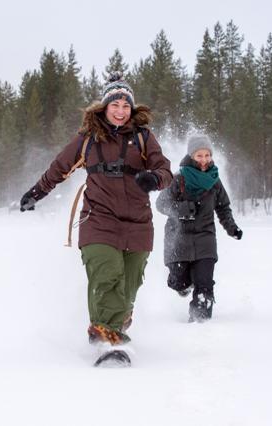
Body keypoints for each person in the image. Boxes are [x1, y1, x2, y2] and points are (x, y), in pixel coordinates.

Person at [19, 73, 173, 346]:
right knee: (107, 273)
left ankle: (117, 319)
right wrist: (36, 192)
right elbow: (59, 167)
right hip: (98, 219)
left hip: (138, 222)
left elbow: (165, 170)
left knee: (129, 284)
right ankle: (107, 337)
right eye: (115, 105)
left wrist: (155, 179)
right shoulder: (87, 139)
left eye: (126, 106)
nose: (120, 111)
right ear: (104, 107)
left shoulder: (143, 138)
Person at [155, 135, 242, 323]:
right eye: (199, 155)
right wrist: (182, 209)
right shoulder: (178, 179)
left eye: (207, 155)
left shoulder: (214, 181)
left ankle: (200, 318)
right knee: (179, 281)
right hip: (178, 237)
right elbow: (161, 204)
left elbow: (223, 207)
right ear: (191, 156)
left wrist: (232, 228)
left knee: (204, 283)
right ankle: (183, 286)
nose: (204, 160)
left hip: (205, 237)